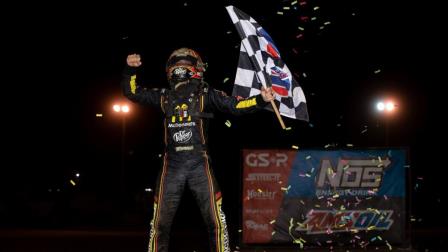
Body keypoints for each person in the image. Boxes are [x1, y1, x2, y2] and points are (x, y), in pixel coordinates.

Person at [121, 48, 275, 252]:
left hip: (199, 164)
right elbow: (133, 93)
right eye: (177, 65)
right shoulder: (164, 96)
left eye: (183, 65)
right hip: (172, 165)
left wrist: (260, 99)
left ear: (196, 69)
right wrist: (129, 71)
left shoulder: (206, 94)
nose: (179, 69)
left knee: (216, 223)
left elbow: (234, 106)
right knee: (159, 225)